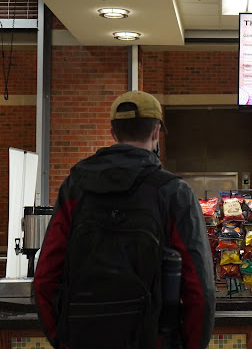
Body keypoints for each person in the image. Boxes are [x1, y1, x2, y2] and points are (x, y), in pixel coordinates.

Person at [33, 91, 215, 349]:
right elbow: (200, 291)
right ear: (156, 132)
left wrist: (63, 339)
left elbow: (45, 278)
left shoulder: (75, 187)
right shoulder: (173, 192)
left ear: (112, 134)